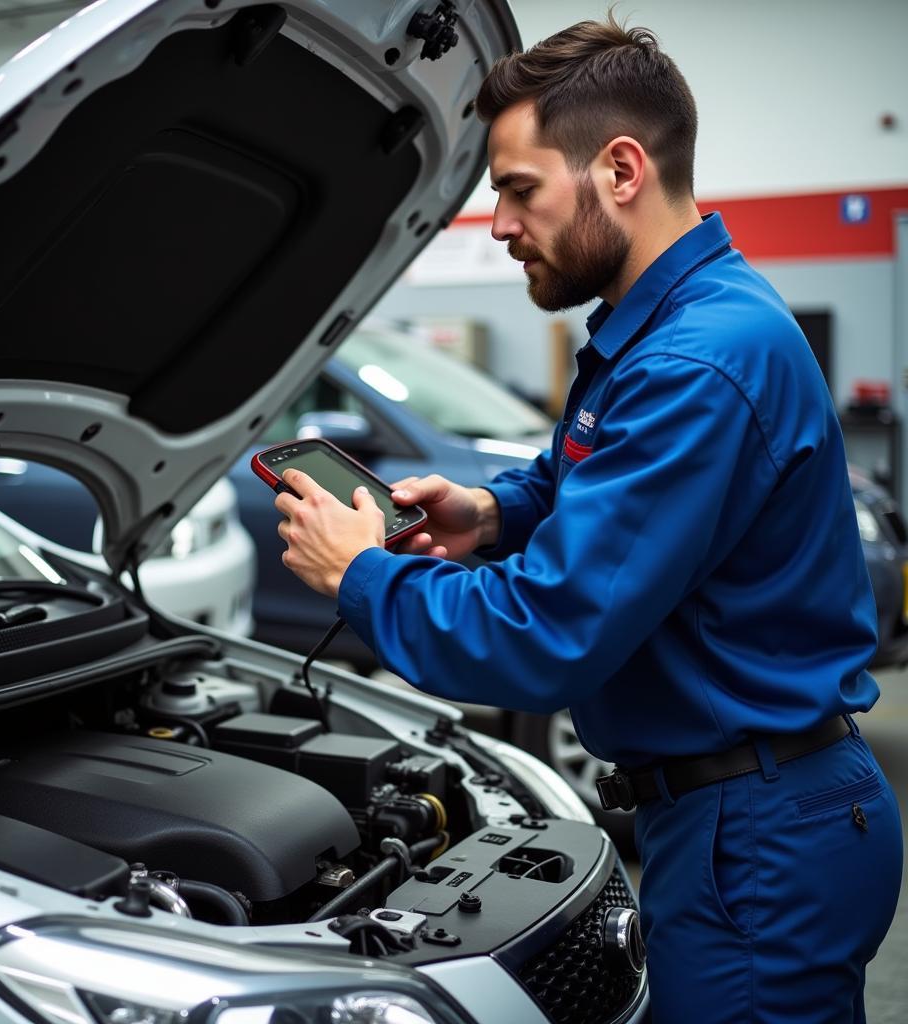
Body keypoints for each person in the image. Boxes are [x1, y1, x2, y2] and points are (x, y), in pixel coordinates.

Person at [272, 14, 902, 1023]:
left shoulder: (697, 361)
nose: (501, 226)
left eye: (518, 190)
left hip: (755, 833)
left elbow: (547, 634)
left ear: (618, 169)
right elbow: (595, 474)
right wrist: (490, 510)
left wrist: (362, 573)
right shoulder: (671, 326)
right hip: (748, 812)